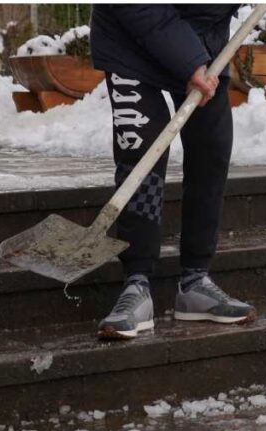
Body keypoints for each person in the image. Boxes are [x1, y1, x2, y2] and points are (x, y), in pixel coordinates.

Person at [89, 4, 256, 339]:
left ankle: (196, 282)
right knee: (142, 150)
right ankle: (136, 284)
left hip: (203, 41)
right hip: (130, 38)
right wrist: (187, 60)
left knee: (212, 147)